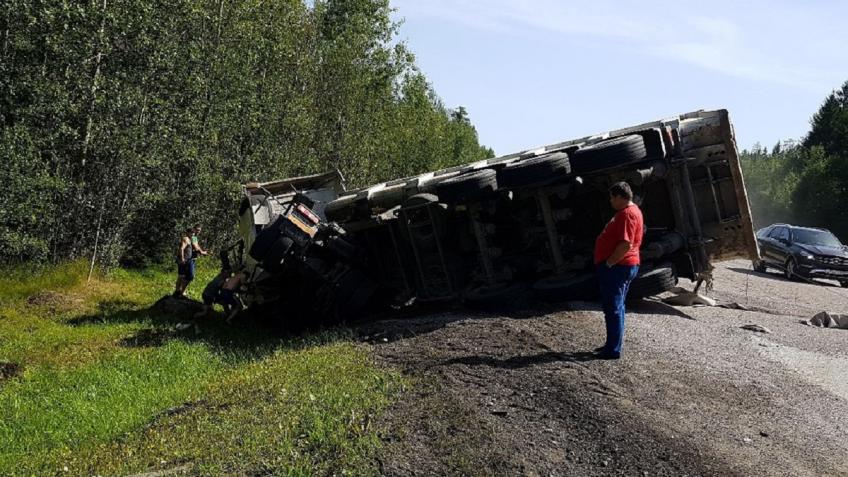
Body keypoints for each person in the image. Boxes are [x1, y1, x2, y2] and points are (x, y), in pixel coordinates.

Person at [593, 181, 644, 360]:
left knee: (613, 307)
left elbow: (625, 243)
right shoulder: (631, 211)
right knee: (618, 306)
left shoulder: (627, 214)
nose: (610, 201)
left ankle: (613, 349)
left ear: (620, 197)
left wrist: (609, 263)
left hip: (618, 267)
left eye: (612, 197)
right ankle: (612, 344)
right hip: (623, 265)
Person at [174, 228, 194, 298]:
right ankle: (180, 292)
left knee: (182, 276)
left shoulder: (189, 239)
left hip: (186, 260)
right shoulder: (185, 239)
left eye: (193, 233)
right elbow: (182, 248)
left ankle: (178, 291)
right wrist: (182, 258)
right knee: (184, 276)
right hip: (184, 260)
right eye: (191, 232)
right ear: (187, 232)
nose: (192, 234)